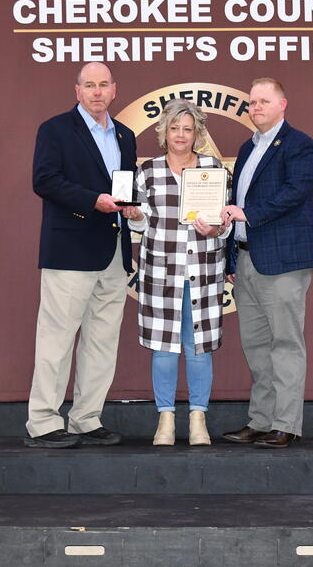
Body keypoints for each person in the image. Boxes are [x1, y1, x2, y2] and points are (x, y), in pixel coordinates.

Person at [24, 62, 137, 449]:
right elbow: (44, 180)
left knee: (101, 343)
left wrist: (129, 208)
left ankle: (86, 418)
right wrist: (94, 201)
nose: (96, 92)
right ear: (77, 91)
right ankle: (42, 421)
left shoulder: (125, 134)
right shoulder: (54, 130)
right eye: (89, 85)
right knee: (56, 341)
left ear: (114, 90)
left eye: (103, 85)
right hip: (70, 251)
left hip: (114, 253)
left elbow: (124, 187)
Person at [219, 77, 313, 449]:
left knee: (286, 344)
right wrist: (232, 254)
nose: (255, 107)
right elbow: (237, 203)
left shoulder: (299, 145)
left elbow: (296, 192)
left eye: (263, 101)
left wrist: (247, 214)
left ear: (283, 104)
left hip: (283, 261)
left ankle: (286, 423)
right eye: (251, 103)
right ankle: (260, 421)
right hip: (247, 262)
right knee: (257, 347)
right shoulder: (248, 148)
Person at [123, 99, 230, 446]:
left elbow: (226, 225)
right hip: (161, 273)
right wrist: (135, 218)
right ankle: (165, 420)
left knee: (199, 348)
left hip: (203, 271)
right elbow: (140, 224)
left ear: (197, 133)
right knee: (163, 349)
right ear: (163, 132)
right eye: (174, 128)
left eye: (187, 129)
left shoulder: (213, 168)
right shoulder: (148, 171)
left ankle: (198, 419)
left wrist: (215, 230)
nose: (180, 135)